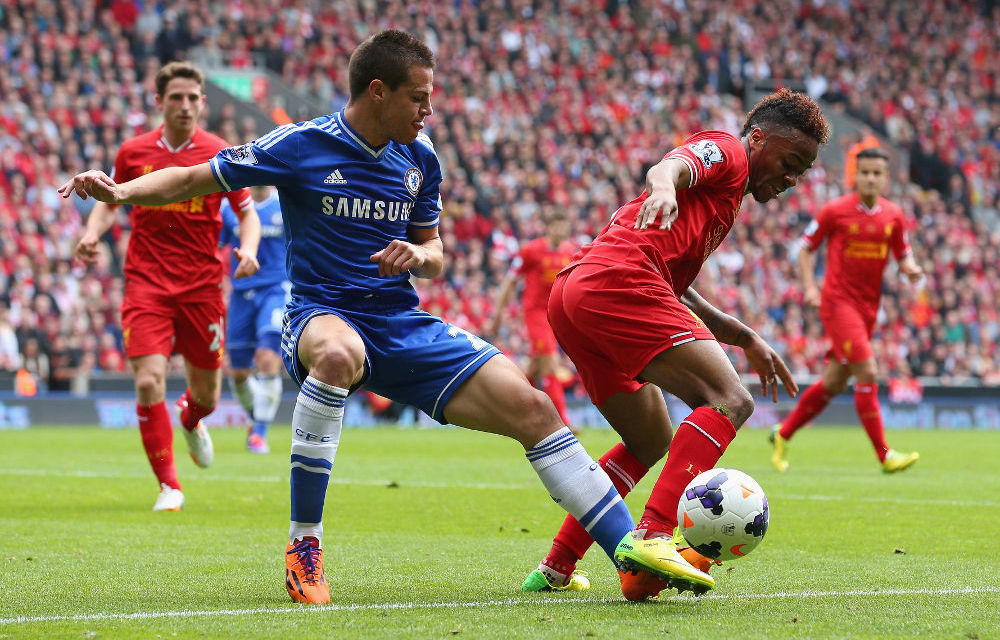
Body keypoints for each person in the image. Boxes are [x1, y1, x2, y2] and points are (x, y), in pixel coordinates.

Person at [59, 30, 668, 607]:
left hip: (401, 322)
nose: (429, 109)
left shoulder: (420, 158)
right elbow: (197, 175)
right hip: (321, 314)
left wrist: (418, 254)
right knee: (335, 355)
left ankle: (628, 556)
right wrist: (121, 193)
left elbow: (434, 253)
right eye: (419, 97)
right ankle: (305, 545)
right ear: (378, 91)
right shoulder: (298, 144)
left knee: (535, 407)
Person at [520, 88, 831, 601]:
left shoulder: (723, 202)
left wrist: (744, 335)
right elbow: (675, 164)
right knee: (731, 400)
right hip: (619, 282)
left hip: (577, 292)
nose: (793, 179)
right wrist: (664, 186)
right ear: (758, 141)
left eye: (803, 171)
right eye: (791, 162)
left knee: (649, 439)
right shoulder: (729, 153)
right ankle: (655, 534)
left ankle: (556, 565)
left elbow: (678, 284)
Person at [72, 61, 260, 512]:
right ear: (159, 102)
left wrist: (249, 248)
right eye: (175, 97)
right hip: (146, 284)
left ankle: (191, 419)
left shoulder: (220, 152)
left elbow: (248, 212)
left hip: (202, 289)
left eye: (193, 98)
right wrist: (92, 234)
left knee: (208, 397)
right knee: (148, 381)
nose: (184, 105)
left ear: (203, 103)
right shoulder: (133, 152)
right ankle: (169, 486)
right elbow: (110, 202)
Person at [770, 147, 922, 474]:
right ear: (855, 175)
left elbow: (903, 253)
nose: (870, 178)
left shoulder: (893, 215)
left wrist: (910, 268)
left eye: (876, 173)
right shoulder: (835, 210)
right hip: (838, 304)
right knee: (867, 372)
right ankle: (885, 455)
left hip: (868, 309)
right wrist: (811, 287)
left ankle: (782, 434)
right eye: (864, 172)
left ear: (885, 178)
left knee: (835, 382)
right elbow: (805, 250)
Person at [486, 211, 575, 428]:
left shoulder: (569, 251)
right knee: (551, 362)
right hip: (535, 314)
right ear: (549, 227)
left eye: (564, 226)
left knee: (535, 368)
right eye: (557, 225)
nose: (561, 230)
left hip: (556, 315)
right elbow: (509, 281)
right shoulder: (531, 250)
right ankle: (563, 421)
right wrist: (498, 314)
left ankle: (507, 410)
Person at [219, 184, 289, 454]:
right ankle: (257, 417)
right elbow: (217, 246)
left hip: (276, 289)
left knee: (267, 357)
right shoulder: (229, 208)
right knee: (237, 373)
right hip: (240, 293)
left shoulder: (283, 205)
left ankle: (259, 433)